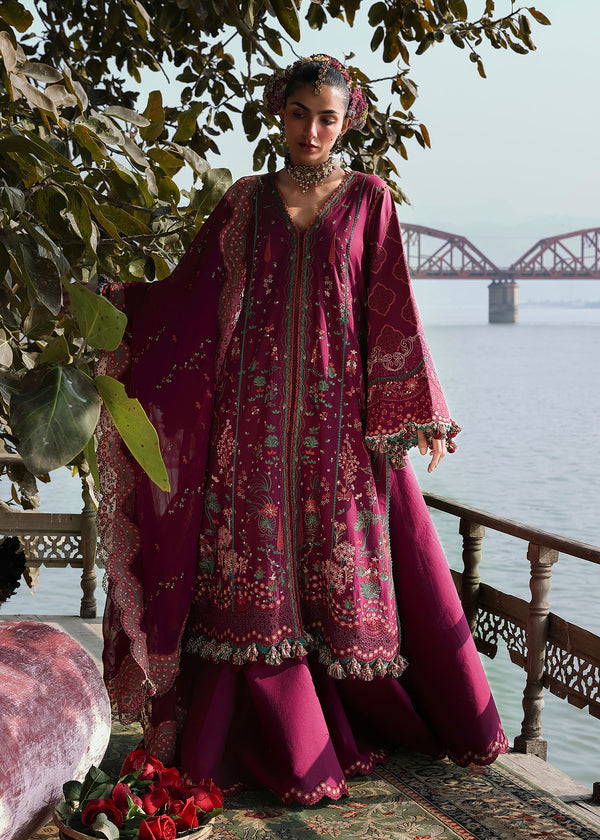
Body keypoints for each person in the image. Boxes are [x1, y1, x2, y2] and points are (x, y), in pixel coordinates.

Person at [97, 54, 507, 806]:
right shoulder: (245, 202)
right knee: (250, 573)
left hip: (338, 427)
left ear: (347, 122)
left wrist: (418, 410)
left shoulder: (369, 199)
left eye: (327, 118)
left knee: (336, 568)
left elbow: (391, 309)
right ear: (276, 113)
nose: (311, 131)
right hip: (246, 425)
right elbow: (188, 299)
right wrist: (110, 310)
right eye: (298, 114)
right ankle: (251, 728)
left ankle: (344, 720)